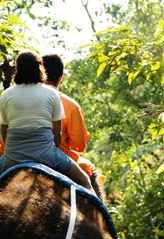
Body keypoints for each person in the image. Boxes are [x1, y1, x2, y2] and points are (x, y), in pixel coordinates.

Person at [0, 51, 95, 193]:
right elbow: (57, 131)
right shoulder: (51, 94)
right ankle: (105, 215)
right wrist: (53, 149)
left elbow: (4, 132)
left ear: (17, 69)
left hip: (13, 157)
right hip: (47, 155)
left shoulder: (6, 95)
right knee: (85, 181)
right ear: (39, 68)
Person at [41, 53, 104, 181]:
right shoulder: (70, 105)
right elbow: (78, 145)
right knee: (90, 172)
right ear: (60, 77)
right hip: (60, 159)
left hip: (17, 156)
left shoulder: (18, 99)